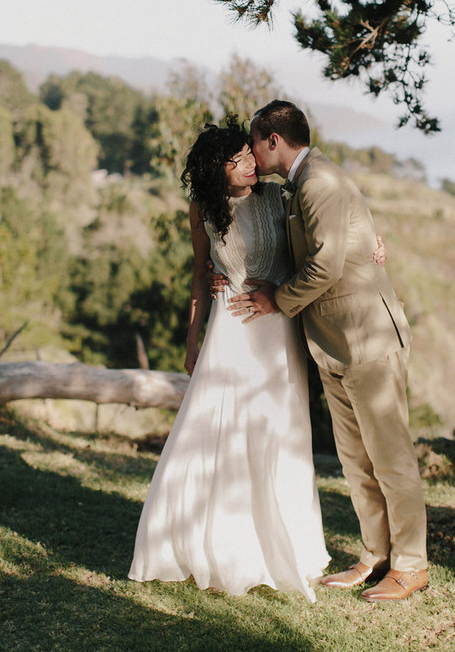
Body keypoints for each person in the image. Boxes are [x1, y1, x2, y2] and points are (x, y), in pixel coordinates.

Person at [226, 100, 428, 602]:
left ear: (273, 140)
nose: (250, 151)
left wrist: (275, 299)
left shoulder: (318, 181)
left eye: (254, 140)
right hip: (332, 346)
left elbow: (326, 266)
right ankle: (374, 555)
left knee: (391, 459)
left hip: (367, 340)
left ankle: (411, 565)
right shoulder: (297, 184)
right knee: (357, 460)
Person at [128, 116, 330, 602]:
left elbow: (325, 237)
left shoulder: (278, 198)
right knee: (213, 433)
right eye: (237, 158)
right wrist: (192, 338)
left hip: (276, 331)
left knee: (277, 434)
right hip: (227, 329)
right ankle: (211, 545)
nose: (249, 163)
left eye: (249, 152)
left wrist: (373, 246)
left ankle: (286, 547)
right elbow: (200, 274)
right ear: (216, 169)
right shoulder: (202, 209)